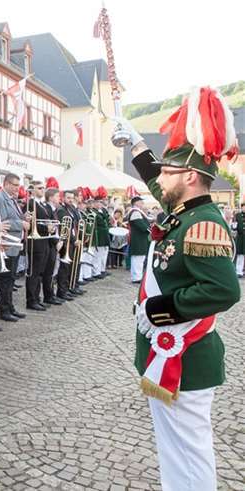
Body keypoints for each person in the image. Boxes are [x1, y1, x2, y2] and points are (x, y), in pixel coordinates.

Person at [114, 86, 241, 491]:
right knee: (175, 452)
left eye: (170, 171)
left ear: (189, 176)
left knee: (189, 452)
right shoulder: (183, 211)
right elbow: (156, 182)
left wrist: (161, 309)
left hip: (187, 356)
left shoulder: (202, 222)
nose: (161, 177)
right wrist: (135, 143)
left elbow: (223, 290)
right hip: (172, 355)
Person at [0, 173, 29, 322]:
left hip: (15, 244)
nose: (17, 188)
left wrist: (23, 217)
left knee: (11, 279)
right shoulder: (0, 198)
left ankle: (9, 307)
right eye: (14, 185)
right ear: (6, 184)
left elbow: (13, 218)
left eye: (18, 185)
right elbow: (2, 222)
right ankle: (3, 310)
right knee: (5, 280)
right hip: (7, 245)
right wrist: (20, 224)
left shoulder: (11, 199)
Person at [24, 180, 58, 310]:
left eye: (43, 188)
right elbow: (32, 223)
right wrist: (46, 228)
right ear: (32, 190)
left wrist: (50, 227)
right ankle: (31, 300)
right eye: (39, 188)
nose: (42, 190)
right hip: (35, 242)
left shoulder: (42, 204)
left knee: (39, 273)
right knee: (34, 273)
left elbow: (44, 221)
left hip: (43, 241)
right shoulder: (30, 203)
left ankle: (37, 298)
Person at [127, 196, 150, 283]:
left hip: (140, 238)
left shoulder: (137, 212)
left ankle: (137, 276)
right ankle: (136, 277)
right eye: (141, 202)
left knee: (139, 258)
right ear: (136, 203)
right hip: (138, 238)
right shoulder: (135, 212)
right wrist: (150, 230)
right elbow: (141, 225)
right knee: (138, 258)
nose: (142, 203)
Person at [232, 202, 245, 278]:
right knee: (240, 255)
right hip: (240, 237)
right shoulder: (238, 215)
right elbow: (234, 227)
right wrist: (234, 226)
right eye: (243, 207)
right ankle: (239, 271)